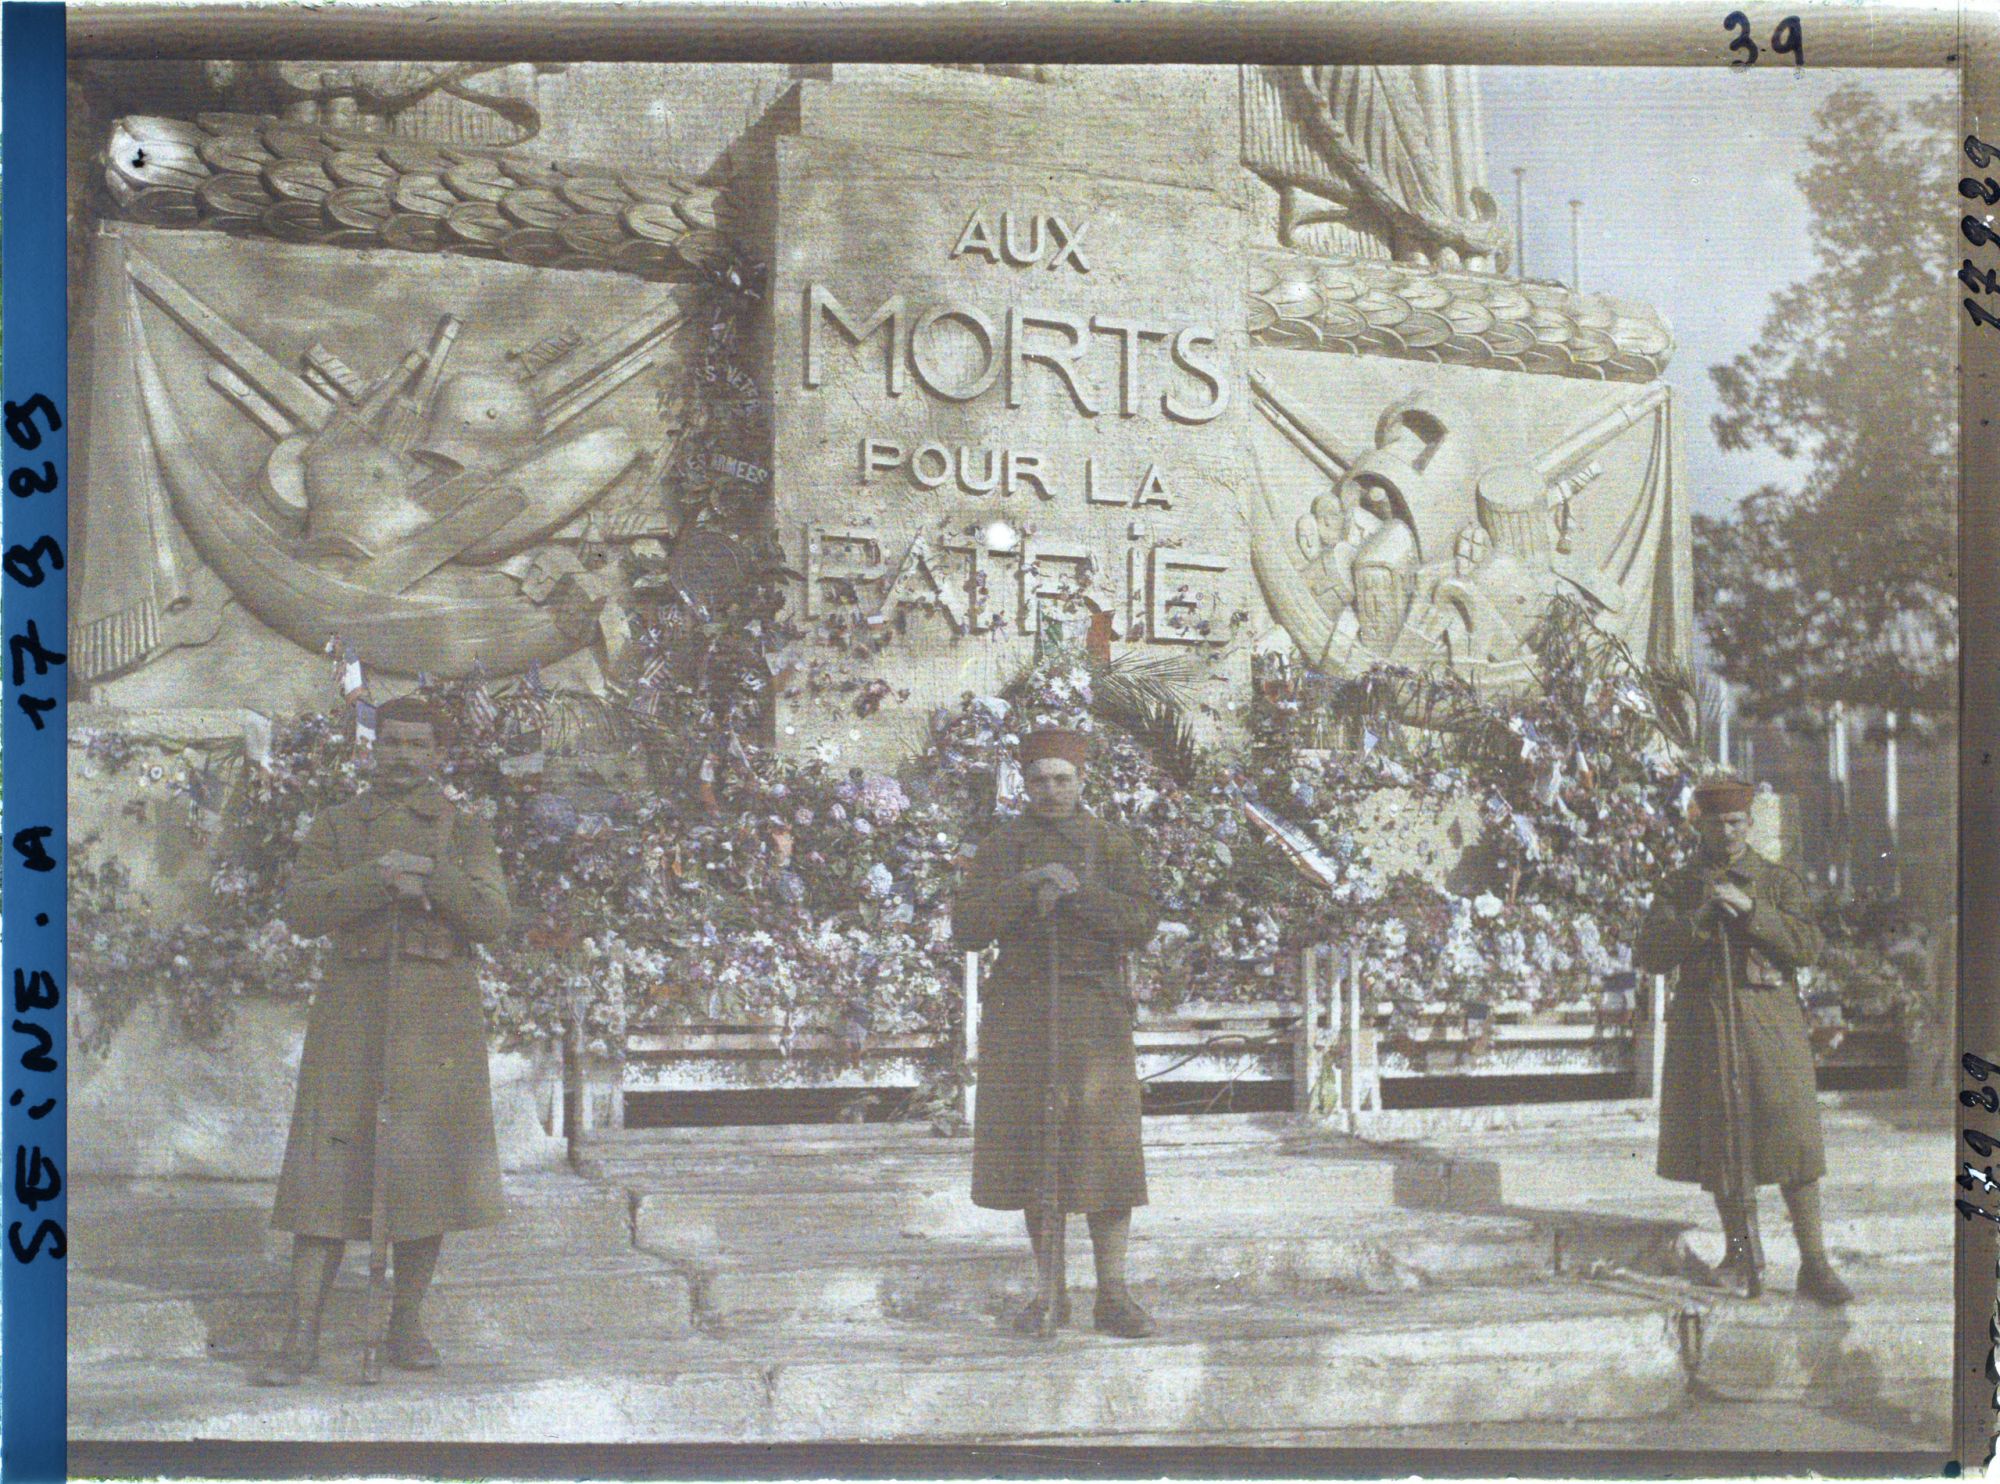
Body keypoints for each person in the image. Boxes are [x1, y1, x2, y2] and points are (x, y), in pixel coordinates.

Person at [256, 694, 512, 1385]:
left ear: (438, 755)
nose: (403, 756)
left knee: (422, 1173)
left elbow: (491, 917)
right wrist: (376, 876)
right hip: (353, 1011)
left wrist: (431, 874)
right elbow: (304, 909)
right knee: (326, 1170)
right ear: (372, 749)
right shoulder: (337, 824)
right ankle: (301, 1334)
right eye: (392, 742)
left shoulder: (466, 828)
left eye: (417, 745)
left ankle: (407, 1322)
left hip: (437, 1016)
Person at [953, 727, 1163, 1338]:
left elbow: (1142, 921)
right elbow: (966, 927)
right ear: (1024, 782)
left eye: (1062, 780)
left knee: (1105, 1151)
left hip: (1093, 1014)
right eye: (1040, 780)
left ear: (1081, 781)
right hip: (1020, 1011)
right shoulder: (1002, 846)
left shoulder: (1110, 844)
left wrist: (1081, 895)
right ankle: (1050, 1295)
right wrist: (1022, 887)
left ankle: (1113, 1295)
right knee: (1033, 1153)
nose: (1051, 791)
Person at [1637, 774, 1852, 1306]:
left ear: (1750, 824)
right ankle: (1740, 1257)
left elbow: (1807, 946)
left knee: (1792, 1138)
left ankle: (1815, 1263)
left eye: (1736, 822)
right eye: (1716, 822)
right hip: (1704, 1029)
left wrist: (1753, 912)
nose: (1727, 832)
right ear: (1699, 824)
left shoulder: (1778, 882)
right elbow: (1651, 952)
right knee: (1721, 1141)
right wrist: (1700, 918)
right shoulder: (1680, 885)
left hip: (1770, 1028)